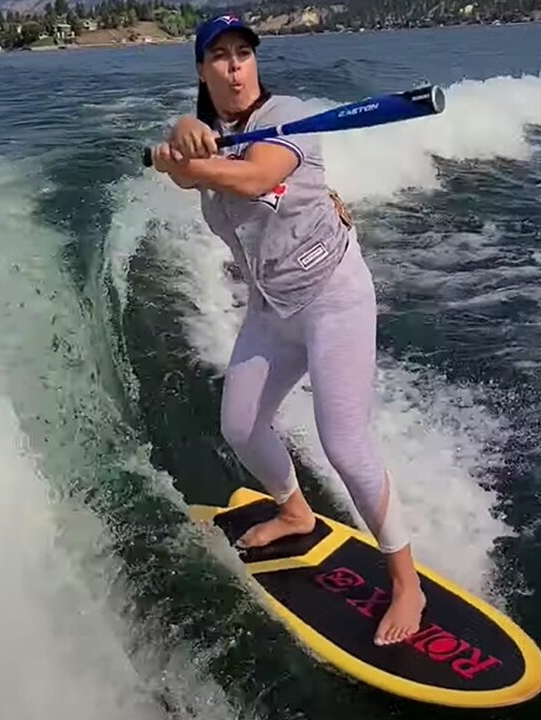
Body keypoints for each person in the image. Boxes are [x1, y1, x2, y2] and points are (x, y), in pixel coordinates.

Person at [147, 14, 425, 647]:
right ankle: (294, 509)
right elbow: (195, 139)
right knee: (240, 425)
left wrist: (193, 168)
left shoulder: (292, 116)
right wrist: (183, 132)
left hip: (334, 299)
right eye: (220, 56)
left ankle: (408, 582)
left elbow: (252, 178)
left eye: (244, 53)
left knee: (344, 443)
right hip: (271, 311)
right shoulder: (205, 136)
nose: (235, 66)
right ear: (201, 69)